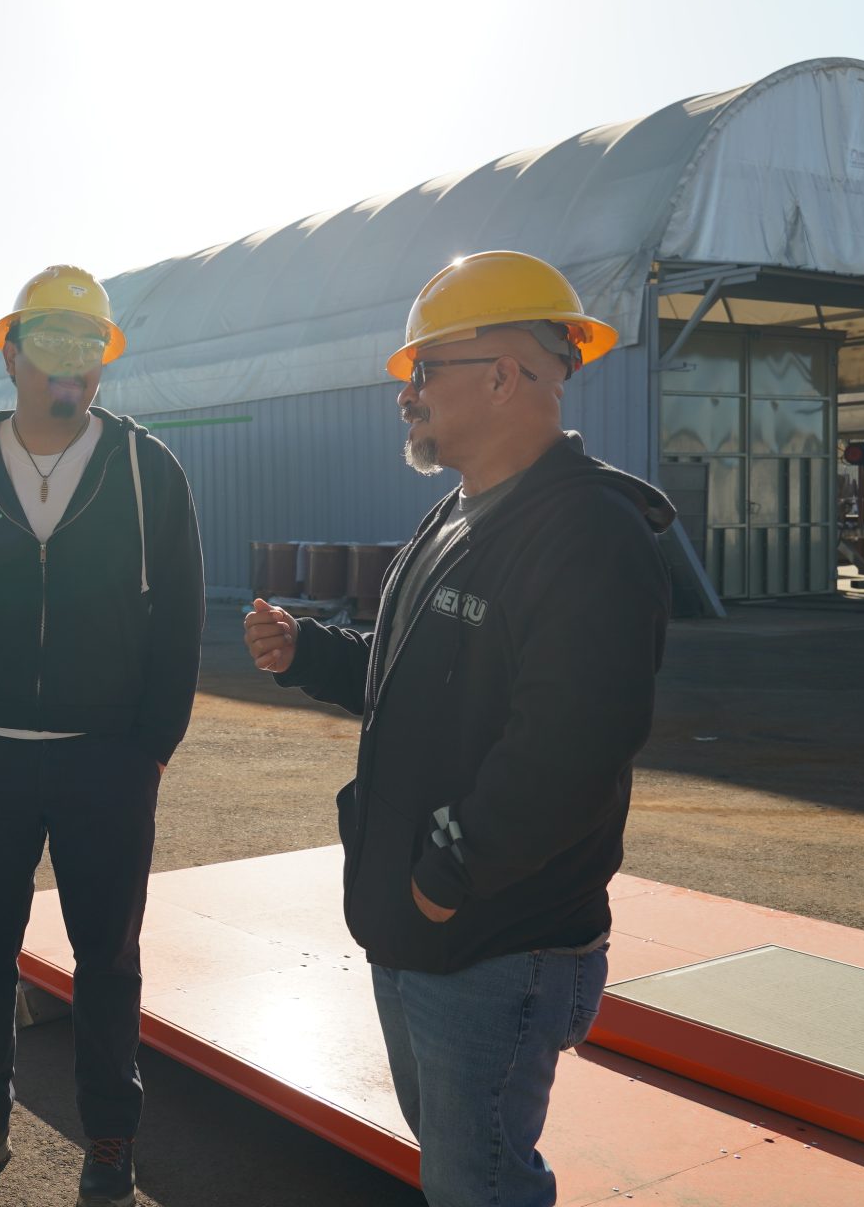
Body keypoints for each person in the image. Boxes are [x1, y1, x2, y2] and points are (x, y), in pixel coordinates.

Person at [243, 251, 673, 1207]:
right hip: (421, 929)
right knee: (458, 1165)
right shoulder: (457, 517)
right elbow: (416, 685)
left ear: (504, 374)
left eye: (426, 369)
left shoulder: (590, 532)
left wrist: (449, 876)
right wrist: (308, 652)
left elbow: (572, 748)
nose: (409, 393)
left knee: (480, 1183)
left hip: (495, 940)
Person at [0, 264, 205, 1206]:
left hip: (104, 764)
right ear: (12, 350)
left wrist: (148, 746)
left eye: (88, 345)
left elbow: (179, 619)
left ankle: (110, 1137)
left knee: (106, 961)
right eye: (50, 343)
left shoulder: (148, 470)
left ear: (104, 363)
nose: (69, 364)